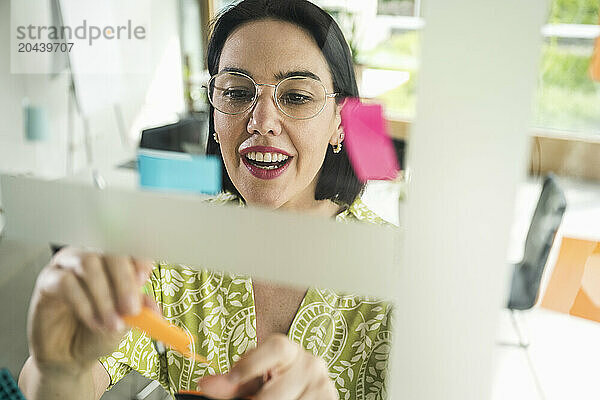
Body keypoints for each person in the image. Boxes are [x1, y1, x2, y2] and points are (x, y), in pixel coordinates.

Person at [18, 1, 393, 399]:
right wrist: (57, 369)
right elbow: (77, 374)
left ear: (340, 122)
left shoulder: (396, 273)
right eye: (235, 92)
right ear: (214, 115)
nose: (261, 121)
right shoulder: (173, 245)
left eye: (297, 96)